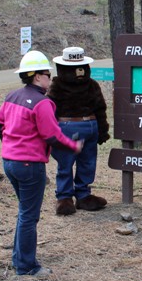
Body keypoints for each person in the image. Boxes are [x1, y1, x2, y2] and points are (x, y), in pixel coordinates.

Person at [0, 50, 82, 277]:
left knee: (25, 212)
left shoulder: (11, 97)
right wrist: (74, 146)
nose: (50, 79)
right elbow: (52, 135)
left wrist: (12, 146)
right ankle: (27, 267)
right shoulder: (43, 103)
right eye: (47, 75)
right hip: (29, 166)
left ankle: (19, 259)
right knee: (29, 216)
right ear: (36, 77)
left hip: (10, 163)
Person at [48, 47, 110, 216]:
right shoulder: (56, 87)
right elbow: (49, 110)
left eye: (82, 67)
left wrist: (102, 130)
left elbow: (100, 108)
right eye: (74, 68)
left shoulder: (92, 85)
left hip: (90, 126)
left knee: (88, 163)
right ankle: (65, 197)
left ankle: (83, 195)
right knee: (65, 163)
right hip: (66, 127)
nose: (79, 72)